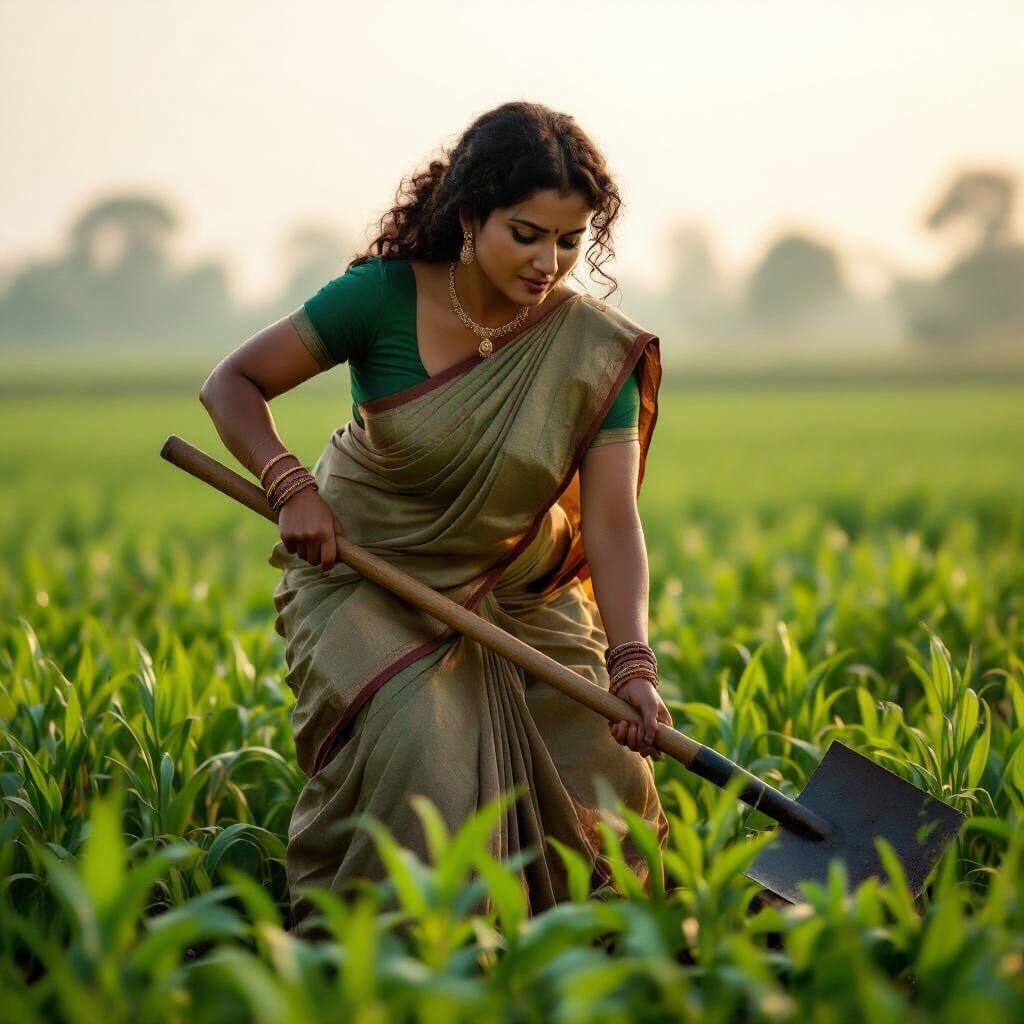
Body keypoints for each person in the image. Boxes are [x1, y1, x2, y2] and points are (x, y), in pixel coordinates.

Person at [198, 100, 672, 930]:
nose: (549, 261)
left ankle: (597, 968)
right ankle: (401, 966)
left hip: (517, 590)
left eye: (569, 240)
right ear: (469, 212)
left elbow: (612, 522)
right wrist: (289, 486)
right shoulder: (378, 299)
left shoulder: (596, 351)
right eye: (526, 234)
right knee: (428, 760)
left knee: (610, 772)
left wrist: (632, 662)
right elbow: (230, 384)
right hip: (365, 572)